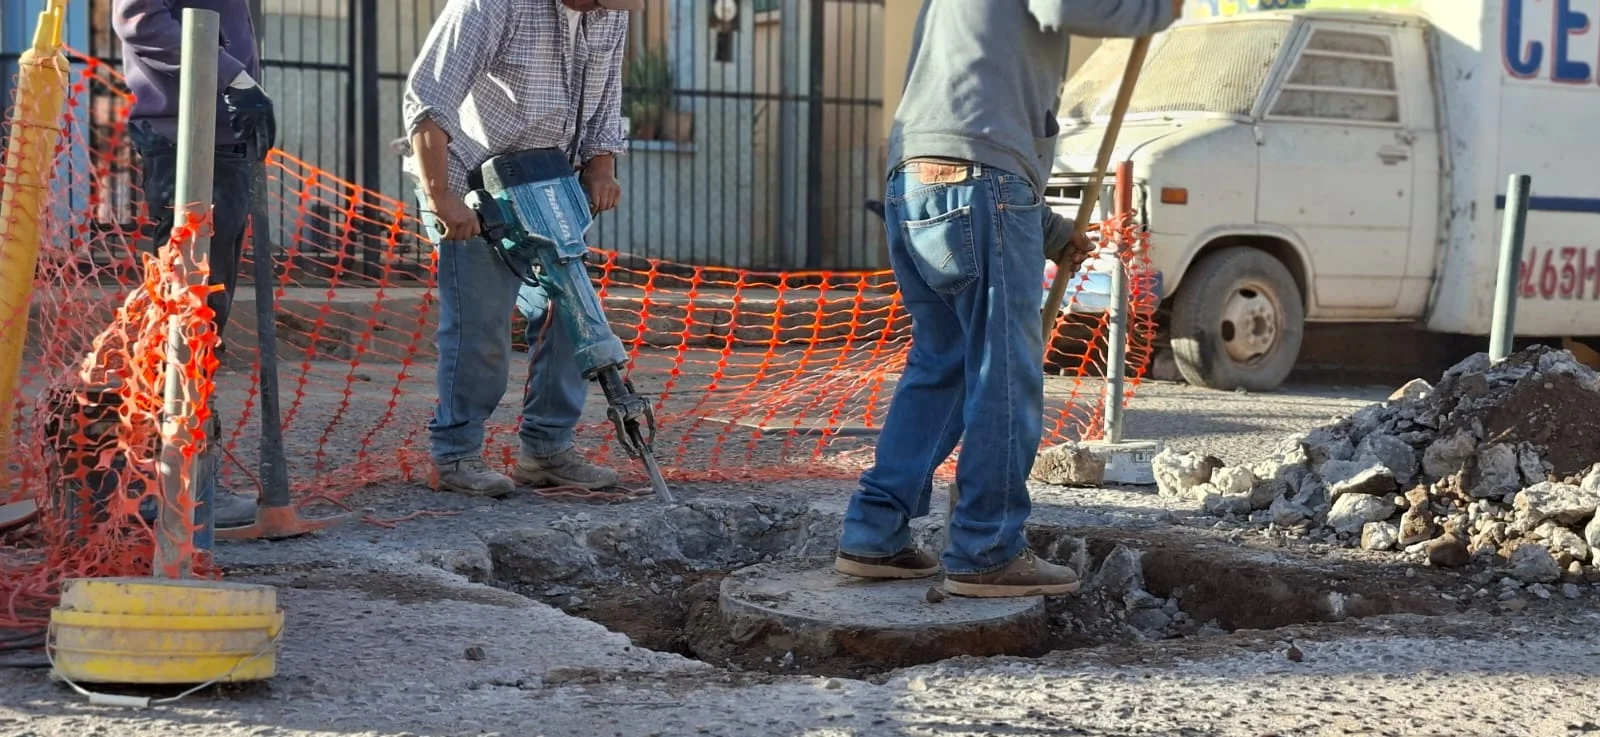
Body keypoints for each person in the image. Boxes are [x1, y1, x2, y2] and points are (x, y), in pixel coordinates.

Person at [834, 0, 1181, 597]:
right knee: (1003, 375)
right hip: (982, 181)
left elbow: (963, 109)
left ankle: (875, 535)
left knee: (941, 369)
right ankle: (986, 549)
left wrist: (1046, 230)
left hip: (912, 179)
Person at [401, 0, 641, 497]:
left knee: (570, 314)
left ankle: (548, 450)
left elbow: (605, 100)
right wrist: (443, 196)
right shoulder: (492, 5)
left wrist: (601, 167)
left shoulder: (612, 14)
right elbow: (428, 98)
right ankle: (456, 455)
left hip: (549, 186)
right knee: (481, 328)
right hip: (472, 186)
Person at [113, 0, 277, 534]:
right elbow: (140, 21)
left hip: (217, 141)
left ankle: (185, 479)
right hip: (183, 139)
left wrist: (243, 87)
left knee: (204, 317)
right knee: (186, 315)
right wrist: (234, 78)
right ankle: (169, 487)